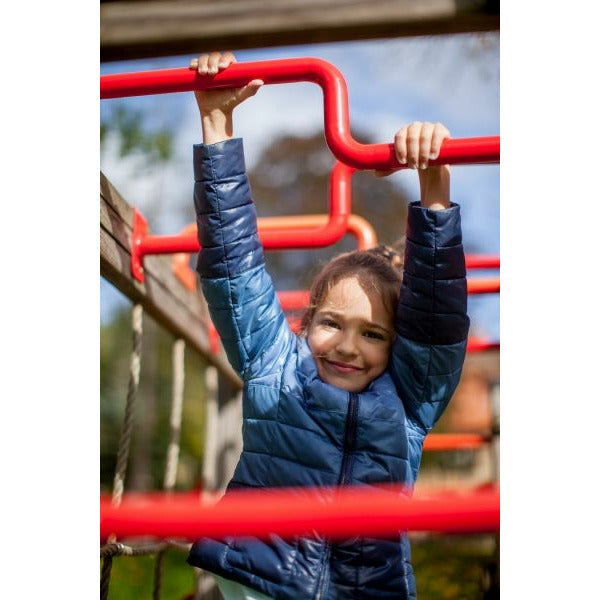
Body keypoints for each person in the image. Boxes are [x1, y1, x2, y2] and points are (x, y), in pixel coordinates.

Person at [186, 51, 469, 600]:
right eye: (331, 324)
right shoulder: (276, 367)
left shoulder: (410, 401)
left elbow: (436, 322)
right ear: (306, 321)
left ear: (397, 345)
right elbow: (234, 265)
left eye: (373, 334)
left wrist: (434, 190)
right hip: (259, 582)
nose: (346, 347)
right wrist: (217, 127)